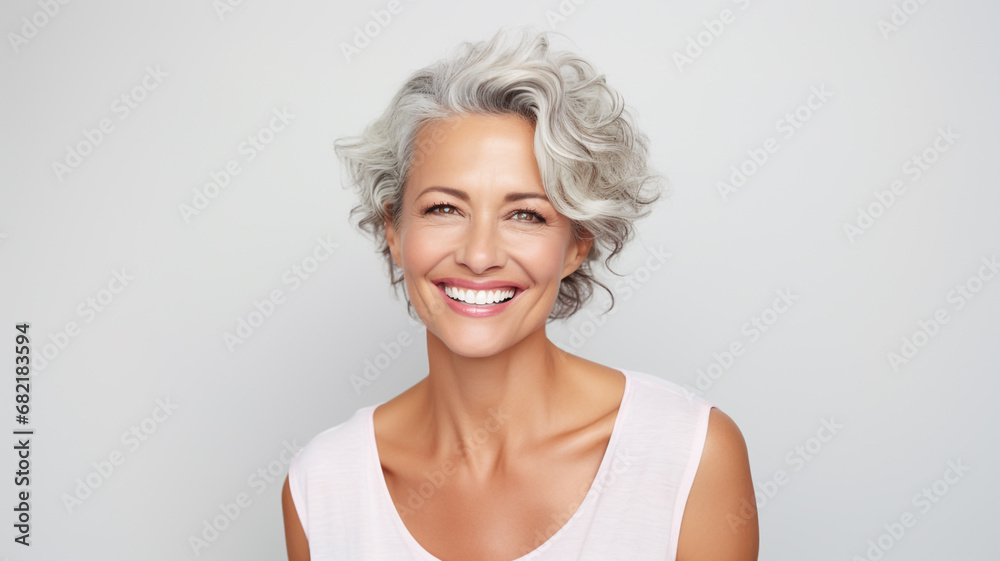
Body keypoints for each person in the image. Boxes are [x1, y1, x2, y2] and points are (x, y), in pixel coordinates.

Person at [282, 27, 758, 561]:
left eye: (526, 215)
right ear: (393, 229)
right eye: (444, 208)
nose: (479, 254)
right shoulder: (322, 487)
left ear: (577, 244)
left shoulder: (688, 455)